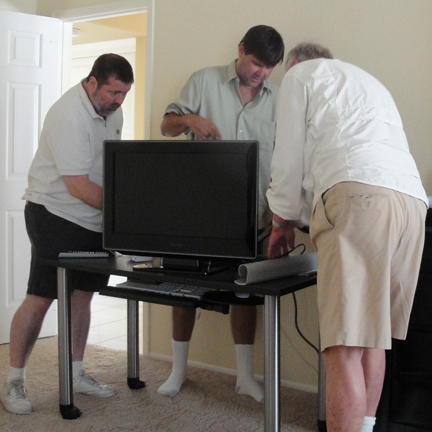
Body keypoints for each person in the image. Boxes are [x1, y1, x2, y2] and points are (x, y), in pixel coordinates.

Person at [266, 42, 428, 432]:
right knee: (373, 337)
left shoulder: (300, 76)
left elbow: (287, 157)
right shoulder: (369, 82)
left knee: (342, 346)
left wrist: (281, 220)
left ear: (296, 62)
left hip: (361, 197)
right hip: (412, 204)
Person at [0, 54, 134, 415]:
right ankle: (13, 381)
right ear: (92, 82)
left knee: (83, 295)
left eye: (124, 93)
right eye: (113, 92)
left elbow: (106, 166)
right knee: (41, 297)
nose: (118, 100)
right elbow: (78, 186)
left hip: (94, 218)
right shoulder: (67, 115)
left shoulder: (114, 112)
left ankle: (75, 373)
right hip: (54, 213)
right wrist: (129, 214)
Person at [158, 25, 285, 402]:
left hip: (254, 216)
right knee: (184, 291)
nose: (262, 73)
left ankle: (244, 376)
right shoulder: (204, 81)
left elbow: (285, 156)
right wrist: (189, 121)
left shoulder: (279, 98)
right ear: (241, 50)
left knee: (245, 294)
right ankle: (178, 371)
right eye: (257, 63)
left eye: (269, 67)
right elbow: (166, 127)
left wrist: (282, 216)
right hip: (198, 213)